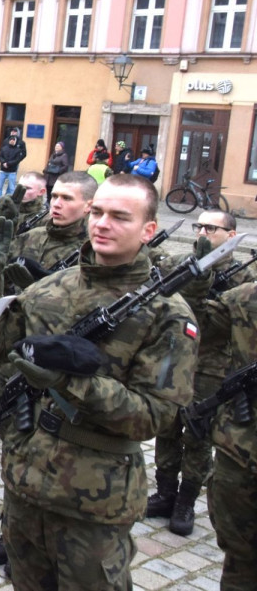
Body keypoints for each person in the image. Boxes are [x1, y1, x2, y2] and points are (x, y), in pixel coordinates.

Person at [0, 174, 197, 591]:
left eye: (119, 216)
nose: (102, 224)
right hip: (25, 480)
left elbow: (154, 416)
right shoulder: (49, 288)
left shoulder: (168, 314)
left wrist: (72, 384)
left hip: (94, 496)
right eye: (97, 213)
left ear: (149, 230)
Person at [148, 210, 252, 538]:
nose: (202, 232)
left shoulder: (243, 279)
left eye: (211, 227)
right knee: (166, 426)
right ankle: (165, 491)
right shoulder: (182, 263)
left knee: (197, 432)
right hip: (173, 357)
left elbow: (220, 326)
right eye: (199, 226)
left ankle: (186, 500)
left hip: (211, 364)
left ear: (231, 235)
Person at [205, 264, 257, 590]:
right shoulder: (245, 299)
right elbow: (193, 328)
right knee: (241, 563)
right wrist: (195, 281)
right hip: (242, 459)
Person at [0, 129, 27, 200]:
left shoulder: (21, 143)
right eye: (12, 132)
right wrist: (3, 162)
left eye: (15, 132)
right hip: (3, 167)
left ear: (17, 133)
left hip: (13, 165)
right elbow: (1, 154)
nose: (13, 133)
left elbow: (23, 154)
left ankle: (9, 196)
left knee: (11, 185)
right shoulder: (5, 141)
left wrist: (17, 161)